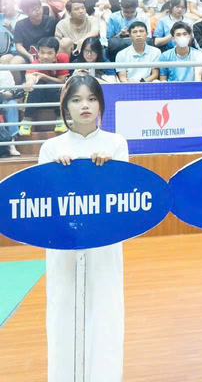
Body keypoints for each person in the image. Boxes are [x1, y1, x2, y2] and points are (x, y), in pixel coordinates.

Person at [39, 76, 128, 382]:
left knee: (105, 311)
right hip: (64, 247)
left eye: (91, 98)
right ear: (66, 107)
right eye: (76, 100)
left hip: (104, 246)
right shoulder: (51, 148)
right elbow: (44, 203)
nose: (84, 106)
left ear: (100, 104)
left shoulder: (116, 144)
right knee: (63, 310)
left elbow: (123, 199)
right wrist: (58, 175)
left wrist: (109, 172)